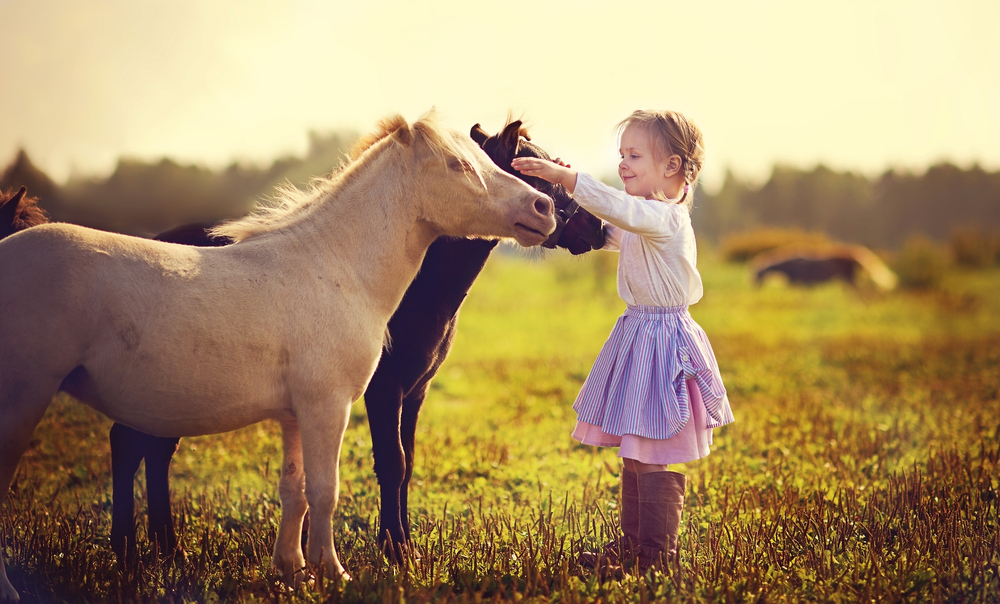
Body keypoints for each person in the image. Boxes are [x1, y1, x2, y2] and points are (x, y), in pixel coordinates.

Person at [512, 109, 734, 573]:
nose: (623, 164)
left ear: (671, 167)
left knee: (651, 452)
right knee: (635, 452)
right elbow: (607, 228)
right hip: (639, 335)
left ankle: (655, 555)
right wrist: (560, 201)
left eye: (634, 155)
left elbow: (622, 211)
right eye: (621, 155)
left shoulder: (665, 219)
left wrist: (569, 178)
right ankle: (633, 545)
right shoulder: (644, 220)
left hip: (662, 343)